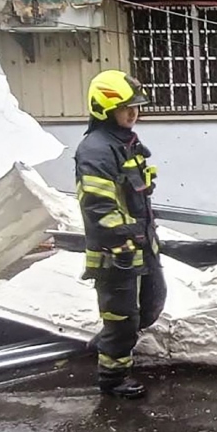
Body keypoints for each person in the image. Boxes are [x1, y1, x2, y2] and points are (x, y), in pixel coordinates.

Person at [76, 70, 166, 399]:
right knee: (122, 318)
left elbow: (139, 192)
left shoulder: (126, 142)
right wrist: (126, 240)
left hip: (142, 245)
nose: (133, 113)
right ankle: (112, 379)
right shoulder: (96, 150)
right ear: (103, 109)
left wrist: (148, 237)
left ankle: (106, 342)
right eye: (126, 107)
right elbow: (98, 208)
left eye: (136, 107)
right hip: (117, 253)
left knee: (152, 305)